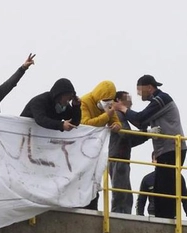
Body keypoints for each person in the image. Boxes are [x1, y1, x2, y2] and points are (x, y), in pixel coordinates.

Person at [115, 75, 187, 219]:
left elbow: (140, 118)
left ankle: (167, 220)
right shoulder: (157, 102)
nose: (138, 94)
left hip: (171, 149)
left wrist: (122, 108)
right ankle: (163, 219)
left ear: (149, 87)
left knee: (165, 190)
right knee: (160, 189)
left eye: (139, 90)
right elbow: (141, 123)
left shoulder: (161, 99)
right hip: (165, 151)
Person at [80, 80, 122, 210]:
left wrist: (116, 126)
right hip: (81, 147)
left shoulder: (109, 107)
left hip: (96, 149)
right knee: (82, 177)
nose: (108, 103)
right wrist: (106, 116)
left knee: (95, 178)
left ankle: (93, 205)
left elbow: (116, 121)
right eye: (105, 100)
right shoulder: (84, 102)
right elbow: (85, 124)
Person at [109, 91, 150, 214]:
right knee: (121, 192)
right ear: (118, 101)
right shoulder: (117, 115)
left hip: (121, 157)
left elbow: (129, 140)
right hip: (118, 157)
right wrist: (147, 134)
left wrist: (145, 135)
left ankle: (121, 214)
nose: (130, 101)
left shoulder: (121, 116)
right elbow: (126, 135)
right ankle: (118, 215)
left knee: (125, 193)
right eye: (127, 98)